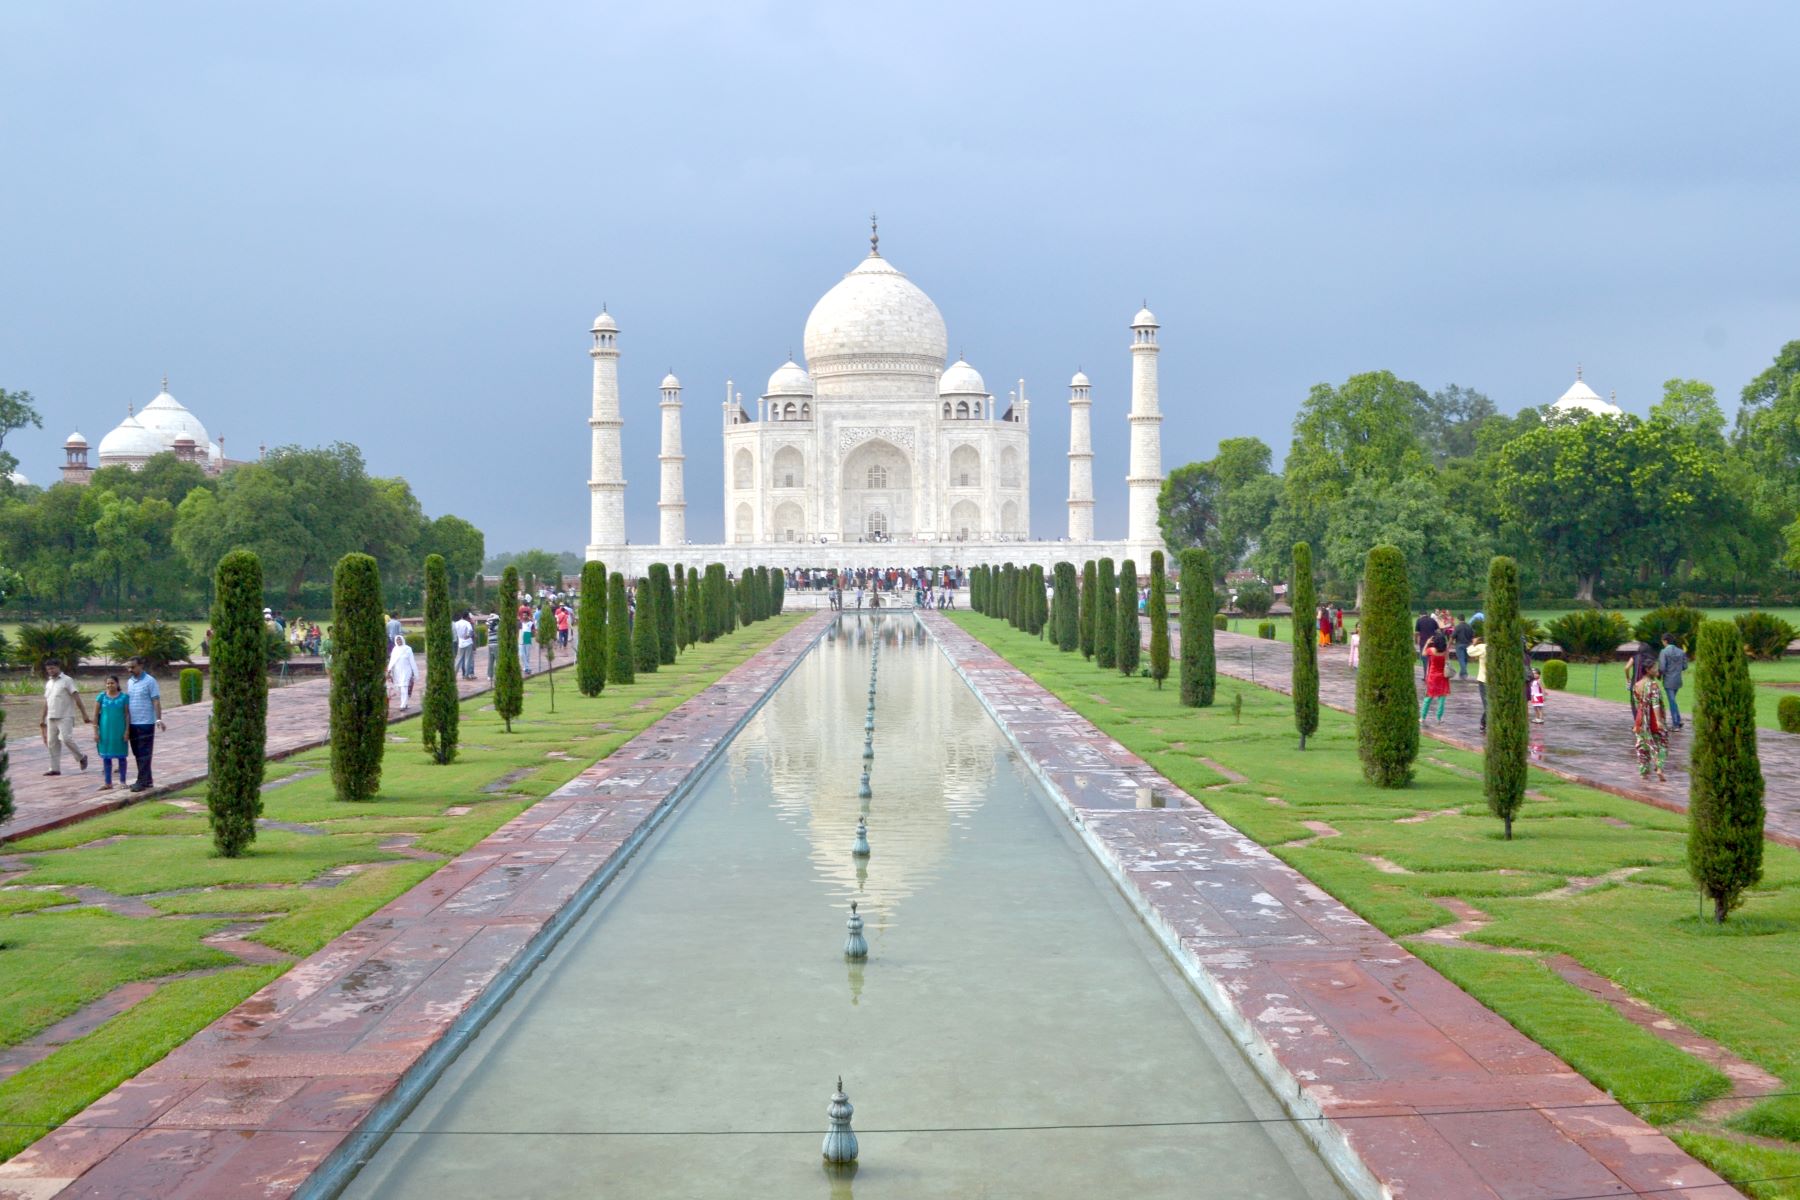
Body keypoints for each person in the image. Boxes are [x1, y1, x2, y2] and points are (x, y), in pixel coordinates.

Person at [39, 660, 90, 775]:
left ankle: (81, 757)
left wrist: (84, 713)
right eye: (48, 669)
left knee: (66, 738)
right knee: (52, 743)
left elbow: (77, 697)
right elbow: (47, 701)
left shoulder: (67, 680)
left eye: (52, 668)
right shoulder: (49, 683)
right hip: (51, 716)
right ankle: (55, 768)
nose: (50, 671)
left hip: (65, 715)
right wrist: (42, 718)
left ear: (58, 667)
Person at [123, 657, 165, 792]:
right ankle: (147, 780)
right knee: (137, 753)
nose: (130, 670)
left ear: (141, 666)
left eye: (133, 667)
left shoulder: (150, 681)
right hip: (133, 723)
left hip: (146, 722)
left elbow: (156, 701)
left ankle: (141, 781)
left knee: (144, 753)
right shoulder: (130, 682)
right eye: (129, 667)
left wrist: (158, 719)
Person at [1632, 660, 1669, 782]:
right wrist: (1659, 721)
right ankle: (1659, 768)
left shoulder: (1637, 685)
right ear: (1648, 670)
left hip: (1641, 720)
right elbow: (1655, 704)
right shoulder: (1653, 685)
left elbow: (1638, 705)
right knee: (1662, 742)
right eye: (1655, 668)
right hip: (1653, 719)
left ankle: (1644, 772)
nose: (1657, 670)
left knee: (1642, 746)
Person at [92, 675, 130, 789]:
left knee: (121, 757)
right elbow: (95, 715)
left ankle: (123, 782)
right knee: (106, 757)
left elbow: (127, 715)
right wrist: (95, 732)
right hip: (105, 731)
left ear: (117, 684)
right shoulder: (101, 697)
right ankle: (108, 783)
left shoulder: (124, 697)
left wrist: (127, 730)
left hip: (119, 730)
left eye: (112, 683)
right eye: (108, 683)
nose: (110, 685)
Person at [1657, 633, 1688, 731]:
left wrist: (1659, 675)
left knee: (1672, 701)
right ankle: (1678, 720)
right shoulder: (1681, 652)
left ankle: (1676, 723)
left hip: (1668, 680)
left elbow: (1662, 667)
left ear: (1665, 641)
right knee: (1673, 700)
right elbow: (1685, 666)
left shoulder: (1664, 652)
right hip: (1678, 680)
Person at [1420, 632, 1451, 723]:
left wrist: (1427, 642)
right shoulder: (1445, 651)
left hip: (1432, 676)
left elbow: (1423, 654)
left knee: (1428, 697)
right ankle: (1439, 718)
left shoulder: (1431, 650)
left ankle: (1422, 717)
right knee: (1441, 699)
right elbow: (1447, 661)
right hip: (1443, 677)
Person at [386, 633, 418, 714]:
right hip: (397, 672)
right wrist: (389, 670)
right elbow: (392, 661)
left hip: (406, 671)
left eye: (400, 640)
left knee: (404, 687)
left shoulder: (408, 649)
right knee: (400, 688)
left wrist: (414, 672)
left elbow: (412, 661)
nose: (399, 641)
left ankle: (402, 705)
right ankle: (405, 703)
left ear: (402, 640)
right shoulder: (394, 650)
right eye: (397, 640)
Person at [1467, 636, 1490, 733]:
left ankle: (1484, 722)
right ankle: (1484, 723)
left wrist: (1474, 643)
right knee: (1489, 705)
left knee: (1489, 704)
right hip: (1486, 680)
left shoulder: (1482, 647)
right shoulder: (1485, 647)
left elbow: (1470, 651)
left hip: (1486, 680)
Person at [452, 610, 476, 680]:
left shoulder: (457, 623)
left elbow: (455, 631)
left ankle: (454, 674)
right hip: (468, 642)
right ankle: (466, 675)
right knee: (468, 659)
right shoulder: (467, 623)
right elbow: (471, 631)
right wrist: (468, 636)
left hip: (460, 643)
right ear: (467, 616)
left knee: (458, 659)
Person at [486, 610, 501, 680]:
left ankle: (489, 675)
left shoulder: (489, 627)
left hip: (490, 644)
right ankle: (498, 675)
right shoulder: (497, 627)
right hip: (496, 644)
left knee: (490, 660)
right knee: (498, 660)